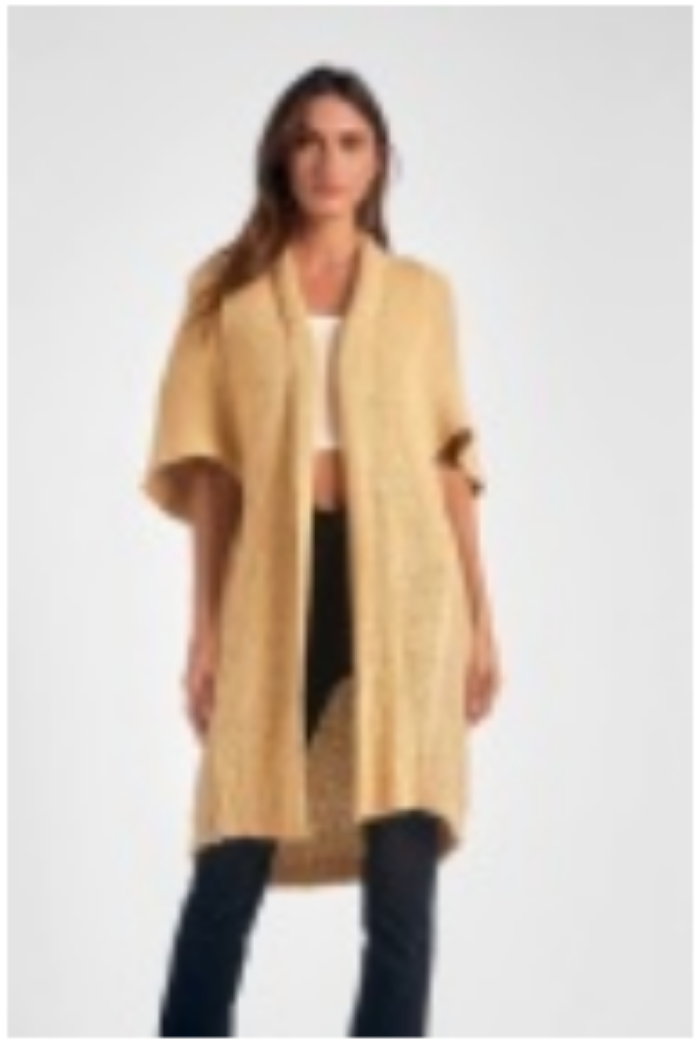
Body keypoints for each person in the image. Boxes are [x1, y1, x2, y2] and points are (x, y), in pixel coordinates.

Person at [141, 64, 502, 1038]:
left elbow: (449, 463)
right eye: (307, 140)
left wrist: (481, 619)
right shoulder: (226, 294)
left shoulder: (422, 297)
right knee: (232, 844)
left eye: (350, 142)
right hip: (276, 582)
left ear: (379, 160)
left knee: (402, 878)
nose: (328, 162)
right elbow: (211, 473)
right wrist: (204, 628)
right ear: (280, 157)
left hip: (410, 588)